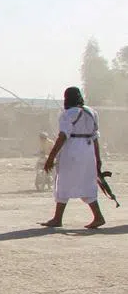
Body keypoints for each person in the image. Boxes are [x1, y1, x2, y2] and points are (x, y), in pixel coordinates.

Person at [41, 86, 104, 229]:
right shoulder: (92, 112)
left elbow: (62, 136)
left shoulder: (68, 114)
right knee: (87, 183)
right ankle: (98, 216)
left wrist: (51, 157)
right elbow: (95, 138)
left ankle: (57, 219)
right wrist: (98, 159)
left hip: (72, 150)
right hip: (88, 152)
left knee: (63, 181)